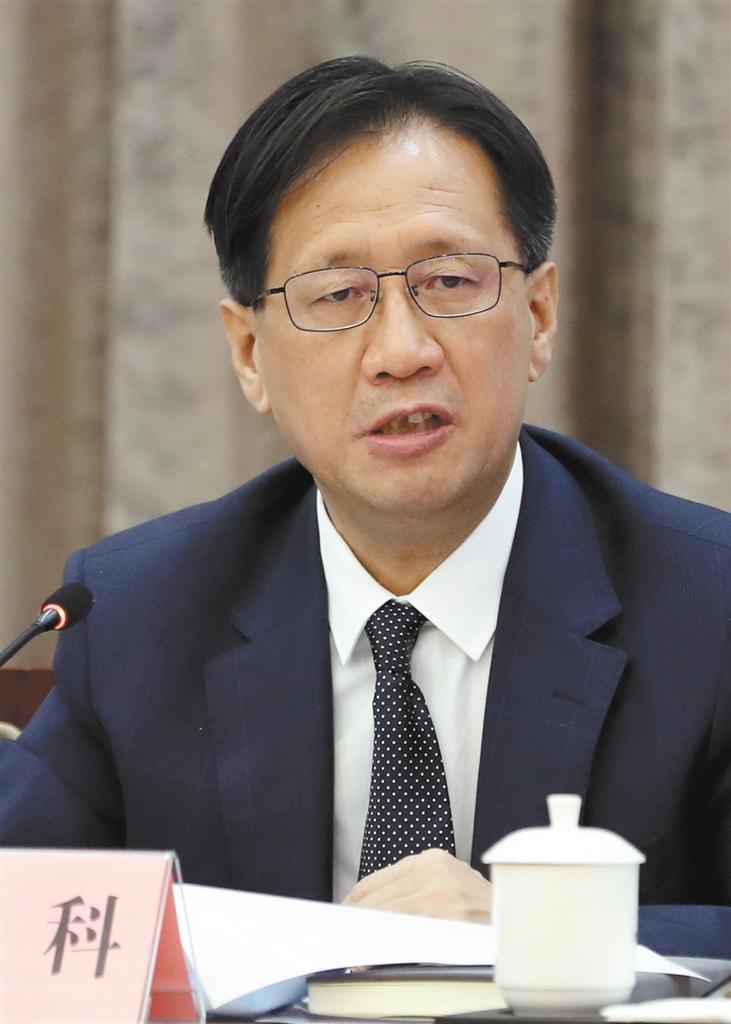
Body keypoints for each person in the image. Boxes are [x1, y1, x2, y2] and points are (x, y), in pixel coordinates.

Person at [1, 57, 729, 955]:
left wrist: (537, 930)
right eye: (338, 295)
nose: (400, 351)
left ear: (538, 317)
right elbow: (26, 918)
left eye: (449, 282)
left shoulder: (708, 606)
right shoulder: (138, 615)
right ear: (249, 355)